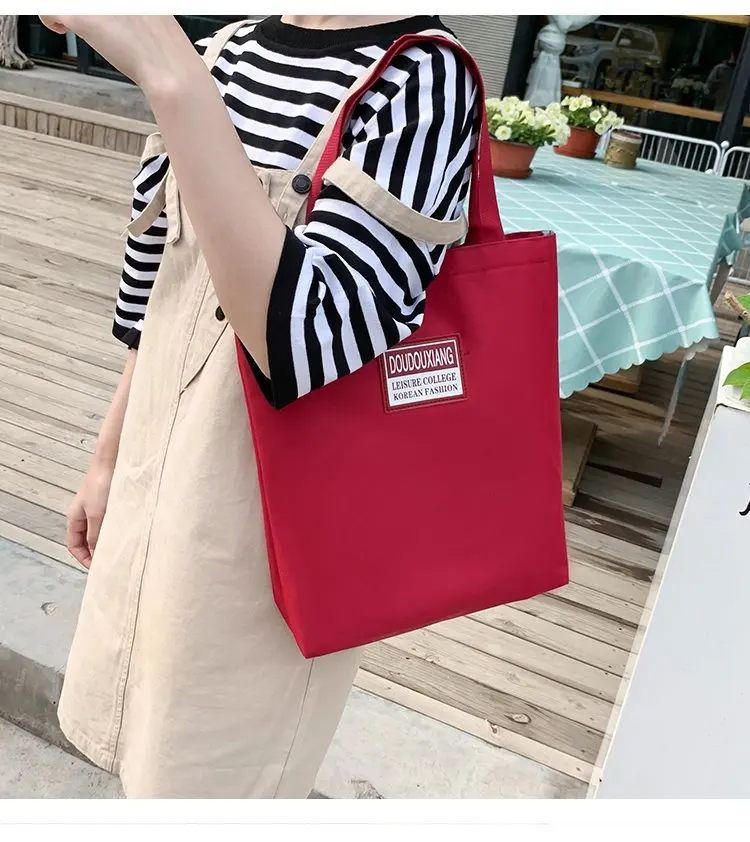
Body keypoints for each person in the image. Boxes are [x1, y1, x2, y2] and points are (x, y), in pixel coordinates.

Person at [39, 14, 478, 798]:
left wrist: (173, 81)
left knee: (214, 774)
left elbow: (306, 341)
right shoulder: (228, 48)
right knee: (136, 745)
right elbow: (153, 294)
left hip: (274, 528)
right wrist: (107, 460)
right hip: (157, 472)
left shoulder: (423, 81)